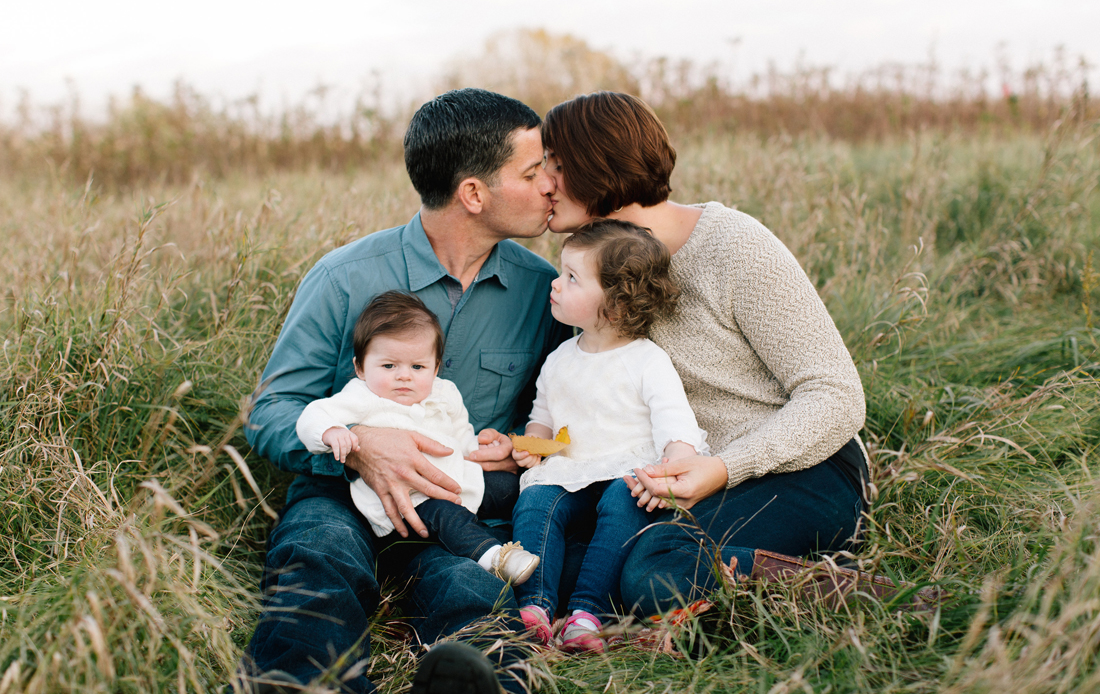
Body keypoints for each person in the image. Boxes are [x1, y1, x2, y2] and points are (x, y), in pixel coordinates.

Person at [242, 88, 571, 694]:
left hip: (457, 506)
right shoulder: (344, 278)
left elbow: (549, 414)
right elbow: (269, 413)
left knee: (473, 590)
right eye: (533, 171)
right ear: (474, 193)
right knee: (318, 555)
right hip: (340, 492)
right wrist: (362, 444)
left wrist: (520, 444)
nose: (553, 183)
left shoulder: (544, 289)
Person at [539, 91, 869, 618]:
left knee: (654, 566)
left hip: (802, 468)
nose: (544, 182)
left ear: (599, 165)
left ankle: (861, 599)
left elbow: (836, 397)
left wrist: (723, 467)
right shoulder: (581, 273)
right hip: (682, 483)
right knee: (567, 566)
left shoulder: (731, 246)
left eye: (556, 165)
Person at [509, 219, 708, 651]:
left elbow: (674, 424)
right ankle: (535, 607)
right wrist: (532, 446)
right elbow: (542, 418)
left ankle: (587, 612)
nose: (556, 284)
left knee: (624, 498)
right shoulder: (560, 357)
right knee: (537, 499)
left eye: (572, 278)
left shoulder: (646, 360)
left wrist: (671, 470)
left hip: (626, 467)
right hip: (573, 468)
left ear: (615, 307)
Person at [295, 290, 539, 584]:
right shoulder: (362, 395)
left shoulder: (445, 393)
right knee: (445, 516)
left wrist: (483, 447)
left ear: (435, 368)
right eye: (389, 366)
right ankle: (494, 558)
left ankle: (543, 535)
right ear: (360, 367)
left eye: (418, 367)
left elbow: (462, 438)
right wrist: (333, 432)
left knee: (511, 487)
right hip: (405, 499)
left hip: (457, 478)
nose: (404, 376)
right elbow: (311, 415)